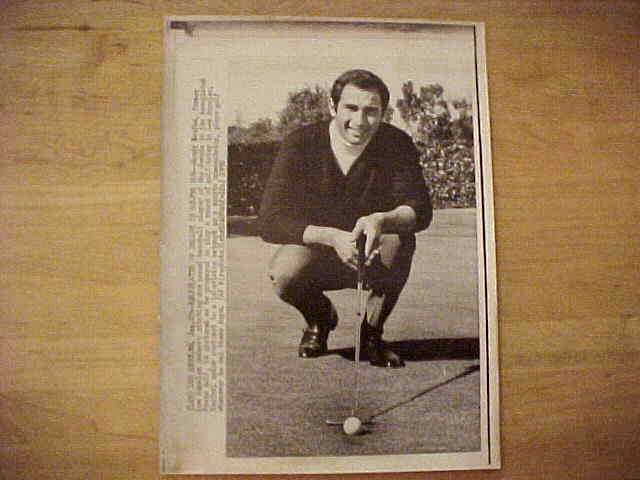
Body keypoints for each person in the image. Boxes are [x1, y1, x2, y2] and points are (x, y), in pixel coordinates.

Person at [258, 69, 432, 368]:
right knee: (284, 273)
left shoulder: (397, 142)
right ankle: (320, 319)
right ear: (332, 107)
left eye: (371, 111)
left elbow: (420, 209)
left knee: (399, 241)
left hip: (371, 249)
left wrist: (380, 220)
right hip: (318, 251)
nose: (360, 122)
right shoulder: (301, 143)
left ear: (383, 113)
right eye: (351, 108)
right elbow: (269, 220)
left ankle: (372, 334)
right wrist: (331, 237)